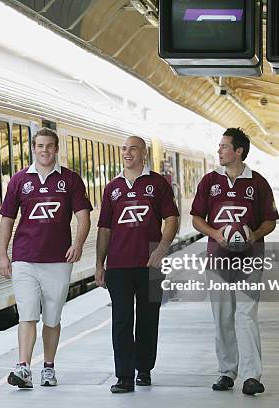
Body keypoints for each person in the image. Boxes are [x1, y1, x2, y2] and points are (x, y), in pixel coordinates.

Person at [0, 127, 92, 389]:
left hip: (59, 260)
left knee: (52, 318)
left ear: (56, 148)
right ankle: (24, 367)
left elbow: (83, 215)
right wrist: (2, 254)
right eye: (40, 146)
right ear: (33, 148)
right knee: (27, 314)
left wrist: (78, 244)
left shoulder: (71, 180)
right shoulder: (18, 180)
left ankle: (48, 367)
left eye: (49, 146)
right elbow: (7, 218)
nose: (44, 150)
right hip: (25, 259)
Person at [191, 128, 278, 396]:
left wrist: (254, 235)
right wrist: (216, 233)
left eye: (223, 146)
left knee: (246, 314)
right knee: (222, 317)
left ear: (238, 151)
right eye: (219, 146)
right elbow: (196, 218)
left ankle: (252, 376)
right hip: (217, 259)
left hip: (249, 260)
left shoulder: (258, 183)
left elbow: (270, 221)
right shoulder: (209, 181)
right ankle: (227, 371)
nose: (219, 150)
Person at [95, 136, 179, 393]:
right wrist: (100, 263)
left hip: (151, 265)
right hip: (119, 266)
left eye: (133, 149)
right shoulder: (112, 188)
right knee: (121, 319)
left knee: (148, 317)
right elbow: (105, 229)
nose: (127, 153)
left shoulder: (158, 184)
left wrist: (162, 249)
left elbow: (172, 218)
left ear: (144, 153)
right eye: (124, 149)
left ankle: (144, 369)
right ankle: (124, 376)